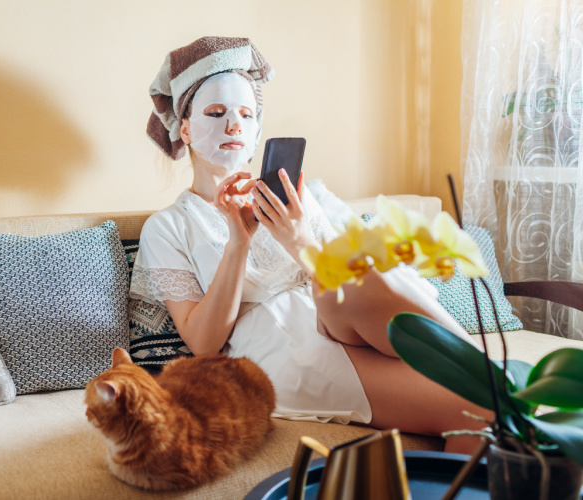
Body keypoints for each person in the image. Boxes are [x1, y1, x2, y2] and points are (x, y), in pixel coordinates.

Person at [133, 36, 490, 453]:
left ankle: (481, 371)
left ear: (257, 131)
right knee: (480, 409)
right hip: (280, 345)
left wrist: (298, 236)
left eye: (247, 115)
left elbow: (361, 281)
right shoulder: (169, 226)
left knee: (352, 278)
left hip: (350, 315)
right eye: (217, 113)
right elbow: (204, 343)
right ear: (187, 128)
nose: (234, 125)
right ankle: (493, 382)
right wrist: (238, 242)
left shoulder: (301, 197)